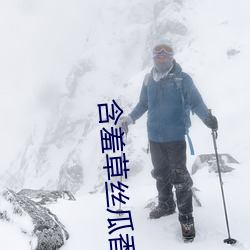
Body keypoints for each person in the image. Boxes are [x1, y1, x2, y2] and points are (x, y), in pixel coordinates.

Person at [118, 39, 218, 242]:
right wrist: (130, 118)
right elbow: (143, 104)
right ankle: (165, 204)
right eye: (158, 54)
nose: (162, 57)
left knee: (180, 178)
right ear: (153, 57)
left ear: (172, 57)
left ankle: (186, 219)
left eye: (166, 54)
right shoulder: (148, 80)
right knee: (160, 173)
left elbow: (196, 101)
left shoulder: (182, 79)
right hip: (154, 138)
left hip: (175, 138)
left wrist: (207, 119)